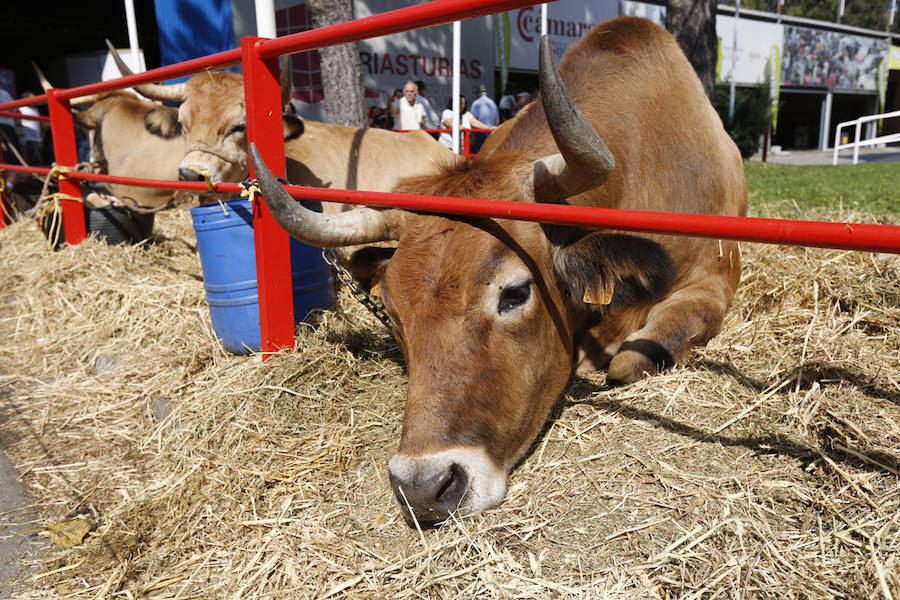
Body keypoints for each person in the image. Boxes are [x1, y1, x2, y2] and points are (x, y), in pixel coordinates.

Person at [468, 83, 498, 154]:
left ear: (478, 94)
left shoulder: (476, 103)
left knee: (479, 155)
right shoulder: (492, 103)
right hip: (492, 133)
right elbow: (497, 120)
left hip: (480, 134)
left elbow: (473, 120)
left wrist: (473, 136)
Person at [18, 92, 42, 166]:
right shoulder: (21, 109)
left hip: (37, 138)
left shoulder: (35, 109)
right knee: (34, 159)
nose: (35, 100)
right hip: (27, 138)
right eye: (33, 98)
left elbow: (39, 123)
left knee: (38, 159)